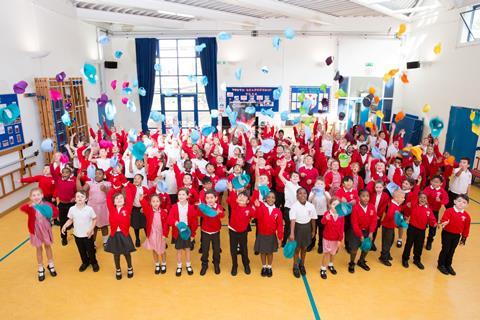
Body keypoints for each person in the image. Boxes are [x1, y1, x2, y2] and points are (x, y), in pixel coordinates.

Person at [19, 188, 59, 281]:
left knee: (48, 246)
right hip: (35, 230)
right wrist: (31, 204)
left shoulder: (47, 205)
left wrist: (52, 217)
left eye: (38, 195)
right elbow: (22, 208)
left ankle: (51, 264)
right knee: (38, 248)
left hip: (45, 229)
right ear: (30, 197)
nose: (36, 197)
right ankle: (40, 268)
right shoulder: (30, 207)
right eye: (33, 195)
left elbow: (55, 213)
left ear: (42, 195)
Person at [61, 191, 99, 272]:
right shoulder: (72, 209)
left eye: (82, 196)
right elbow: (70, 220)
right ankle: (85, 262)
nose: (80, 198)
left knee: (91, 250)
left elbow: (94, 219)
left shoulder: (89, 209)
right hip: (77, 234)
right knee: (81, 250)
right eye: (78, 196)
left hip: (88, 234)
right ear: (75, 199)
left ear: (86, 199)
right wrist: (64, 226)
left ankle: (94, 262)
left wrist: (91, 229)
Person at [105, 184, 136, 280]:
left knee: (127, 253)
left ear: (124, 201)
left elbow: (130, 198)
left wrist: (126, 187)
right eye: (117, 198)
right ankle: (118, 269)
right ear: (113, 202)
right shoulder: (111, 209)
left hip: (124, 234)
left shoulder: (127, 208)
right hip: (114, 235)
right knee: (116, 254)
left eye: (121, 198)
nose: (119, 199)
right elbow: (108, 197)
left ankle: (130, 267)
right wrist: (114, 189)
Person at [437, 194, 471, 276]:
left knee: (452, 250)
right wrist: (444, 222)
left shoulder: (467, 216)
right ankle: (441, 264)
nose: (461, 203)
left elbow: (466, 228)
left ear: (466, 205)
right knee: (445, 249)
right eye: (459, 201)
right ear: (455, 201)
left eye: (464, 202)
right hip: (447, 233)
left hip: (456, 235)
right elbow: (444, 219)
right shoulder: (449, 211)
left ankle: (448, 265)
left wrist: (464, 238)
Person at [401, 193, 437, 269]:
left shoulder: (428, 210)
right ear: (418, 198)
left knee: (419, 246)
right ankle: (405, 259)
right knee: (409, 244)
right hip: (412, 228)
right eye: (421, 197)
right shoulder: (413, 205)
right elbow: (405, 209)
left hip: (421, 230)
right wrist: (407, 206)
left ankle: (417, 260)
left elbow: (432, 219)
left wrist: (435, 224)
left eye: (424, 198)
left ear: (427, 200)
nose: (422, 199)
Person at [252, 190, 283, 277]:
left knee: (270, 252)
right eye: (268, 197)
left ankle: (269, 267)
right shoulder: (261, 207)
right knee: (262, 252)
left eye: (273, 197)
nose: (270, 199)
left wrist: (280, 238)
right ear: (265, 198)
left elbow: (280, 225)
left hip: (271, 235)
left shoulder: (277, 211)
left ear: (275, 199)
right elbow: (256, 216)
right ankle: (264, 266)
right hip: (262, 234)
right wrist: (257, 206)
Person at [168, 188, 198, 277]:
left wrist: (193, 234)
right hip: (178, 231)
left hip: (187, 231)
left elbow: (194, 222)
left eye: (183, 194)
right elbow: (169, 219)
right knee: (179, 250)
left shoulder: (191, 207)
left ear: (187, 196)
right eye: (179, 194)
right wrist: (175, 222)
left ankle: (188, 265)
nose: (181, 196)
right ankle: (179, 266)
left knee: (188, 249)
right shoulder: (174, 207)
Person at [78, 168, 111, 249]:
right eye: (96, 173)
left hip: (103, 207)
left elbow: (111, 195)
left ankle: (105, 242)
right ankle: (93, 243)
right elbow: (81, 191)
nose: (97, 175)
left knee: (104, 226)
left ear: (103, 176)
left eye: (100, 173)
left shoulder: (107, 183)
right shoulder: (89, 183)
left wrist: (105, 189)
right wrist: (78, 179)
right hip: (92, 208)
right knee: (94, 226)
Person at [227, 183, 254, 276]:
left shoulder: (249, 209)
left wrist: (257, 206)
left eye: (244, 197)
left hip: (243, 232)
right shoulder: (234, 205)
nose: (242, 197)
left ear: (247, 201)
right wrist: (231, 190)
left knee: (244, 249)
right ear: (236, 199)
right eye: (240, 196)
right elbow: (231, 198)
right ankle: (234, 265)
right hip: (233, 231)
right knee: (233, 249)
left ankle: (246, 264)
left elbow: (256, 214)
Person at [289, 188, 317, 278]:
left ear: (307, 195)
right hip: (297, 228)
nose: (302, 195)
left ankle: (302, 265)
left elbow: (313, 219)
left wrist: (313, 230)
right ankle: (295, 266)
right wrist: (292, 233)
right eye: (300, 193)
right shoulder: (294, 206)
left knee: (304, 248)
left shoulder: (311, 206)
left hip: (307, 228)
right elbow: (293, 221)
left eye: (304, 193)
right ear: (297, 196)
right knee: (297, 249)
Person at [348, 189, 376, 273]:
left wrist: (371, 232)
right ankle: (352, 262)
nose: (366, 198)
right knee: (354, 249)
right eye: (363, 196)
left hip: (367, 231)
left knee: (366, 247)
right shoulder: (355, 208)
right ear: (359, 197)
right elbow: (354, 223)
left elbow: (374, 220)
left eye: (367, 196)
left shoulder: (372, 207)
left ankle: (361, 260)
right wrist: (360, 235)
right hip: (356, 232)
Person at [140, 194, 169, 274]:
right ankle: (157, 264)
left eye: (157, 201)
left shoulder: (163, 212)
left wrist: (165, 234)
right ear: (150, 203)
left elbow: (166, 225)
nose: (155, 203)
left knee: (162, 249)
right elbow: (145, 206)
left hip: (161, 234)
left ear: (160, 202)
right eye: (153, 201)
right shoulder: (148, 211)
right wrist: (142, 199)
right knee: (154, 249)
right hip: (152, 234)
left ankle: (163, 263)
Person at [199, 190, 224, 276]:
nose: (209, 200)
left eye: (211, 198)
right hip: (205, 232)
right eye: (207, 198)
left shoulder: (219, 207)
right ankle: (204, 265)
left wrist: (218, 213)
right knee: (205, 250)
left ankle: (216, 264)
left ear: (216, 198)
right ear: (205, 199)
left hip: (215, 232)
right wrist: (201, 207)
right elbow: (200, 214)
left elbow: (222, 215)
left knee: (216, 250)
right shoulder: (204, 207)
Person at [422, 175, 449, 250]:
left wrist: (440, 201)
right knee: (422, 225)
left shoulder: (442, 191)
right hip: (425, 210)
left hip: (434, 212)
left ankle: (429, 241)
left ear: (441, 183)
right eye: (433, 181)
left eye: (436, 182)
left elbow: (446, 200)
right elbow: (424, 195)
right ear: (430, 182)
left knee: (433, 228)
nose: (434, 183)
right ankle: (421, 239)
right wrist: (425, 200)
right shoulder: (428, 188)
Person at [320, 197, 344, 279]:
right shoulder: (327, 213)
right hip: (327, 238)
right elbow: (322, 222)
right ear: (330, 205)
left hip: (336, 239)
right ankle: (323, 268)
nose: (336, 206)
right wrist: (325, 219)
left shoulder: (341, 215)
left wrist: (340, 239)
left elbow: (341, 228)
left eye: (337, 205)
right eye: (334, 204)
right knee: (326, 254)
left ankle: (330, 265)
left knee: (333, 253)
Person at [379, 190, 405, 266]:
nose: (403, 199)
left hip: (391, 226)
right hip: (387, 227)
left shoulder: (396, 204)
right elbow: (390, 215)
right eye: (402, 197)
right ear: (396, 198)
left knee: (390, 240)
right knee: (387, 242)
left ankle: (387, 253)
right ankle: (383, 257)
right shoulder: (393, 206)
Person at [278, 161, 301, 247]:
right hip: (288, 209)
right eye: (293, 176)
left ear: (299, 179)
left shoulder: (300, 188)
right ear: (290, 178)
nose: (295, 177)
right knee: (287, 226)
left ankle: (294, 240)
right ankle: (284, 240)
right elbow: (280, 175)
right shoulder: (288, 184)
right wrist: (283, 168)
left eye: (297, 176)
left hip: (297, 209)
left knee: (295, 226)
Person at [308, 177, 331, 253]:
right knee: (312, 230)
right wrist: (314, 193)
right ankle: (312, 243)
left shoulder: (326, 193)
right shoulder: (312, 192)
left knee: (321, 231)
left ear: (324, 186)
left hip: (323, 215)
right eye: (318, 184)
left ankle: (320, 244)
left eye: (321, 184)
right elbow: (309, 200)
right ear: (315, 185)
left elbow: (330, 201)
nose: (320, 185)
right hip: (314, 215)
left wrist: (324, 193)